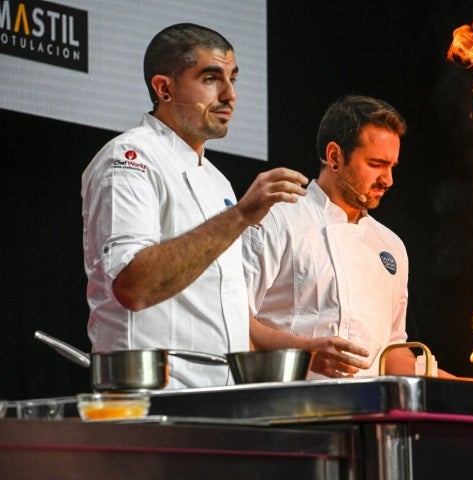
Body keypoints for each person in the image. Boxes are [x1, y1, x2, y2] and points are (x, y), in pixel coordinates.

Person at [81, 23, 308, 389]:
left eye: (232, 78)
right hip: (154, 398)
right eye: (210, 78)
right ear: (164, 88)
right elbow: (133, 287)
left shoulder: (218, 181)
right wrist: (241, 215)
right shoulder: (128, 158)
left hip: (219, 396)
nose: (230, 94)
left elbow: (223, 305)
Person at [242, 94, 455, 379]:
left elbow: (390, 352)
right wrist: (305, 354)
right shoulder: (278, 218)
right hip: (286, 410)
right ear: (334, 157)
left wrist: (468, 390)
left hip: (367, 413)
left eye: (392, 166)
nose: (388, 180)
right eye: (376, 164)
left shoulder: (390, 245)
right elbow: (233, 317)